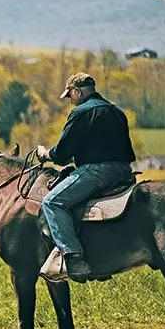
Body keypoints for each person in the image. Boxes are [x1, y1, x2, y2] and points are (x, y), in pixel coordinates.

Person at [36, 72, 136, 282]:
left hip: (98, 171)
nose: (70, 100)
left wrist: (46, 154)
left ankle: (73, 258)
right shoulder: (116, 111)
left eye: (70, 95)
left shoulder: (81, 112)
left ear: (78, 91)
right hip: (124, 171)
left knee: (52, 202)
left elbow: (62, 154)